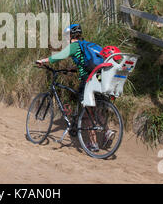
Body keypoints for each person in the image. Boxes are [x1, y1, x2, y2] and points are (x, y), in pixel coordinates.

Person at [36, 23, 113, 152]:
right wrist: (74, 69)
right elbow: (87, 63)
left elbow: (59, 56)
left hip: (87, 81)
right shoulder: (87, 45)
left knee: (88, 113)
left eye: (66, 36)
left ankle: (93, 144)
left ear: (70, 35)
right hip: (98, 78)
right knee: (95, 109)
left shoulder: (74, 46)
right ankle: (107, 131)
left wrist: (43, 61)